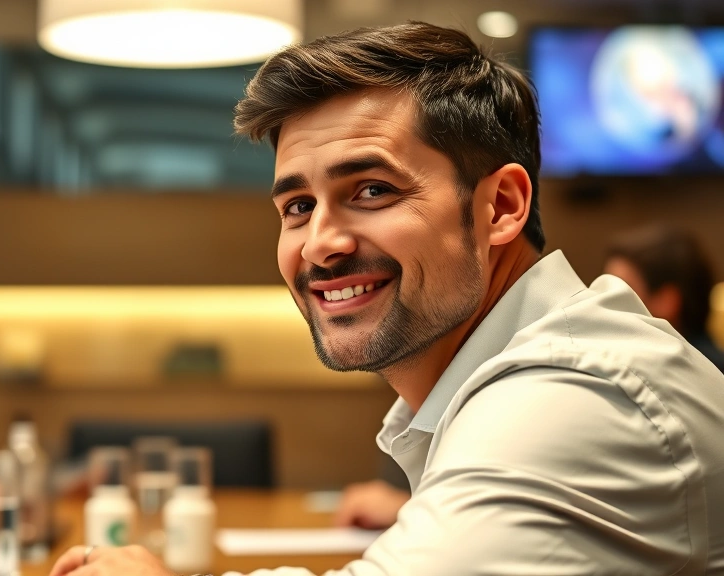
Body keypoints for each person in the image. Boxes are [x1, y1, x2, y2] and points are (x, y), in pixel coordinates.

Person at [50, 21, 724, 576]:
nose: (319, 244)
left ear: (501, 208)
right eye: (297, 205)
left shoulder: (578, 393)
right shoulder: (519, 372)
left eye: (371, 190)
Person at [604, 223, 724, 373]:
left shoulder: (706, 377)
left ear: (666, 301)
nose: (601, 299)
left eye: (619, 290)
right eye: (603, 286)